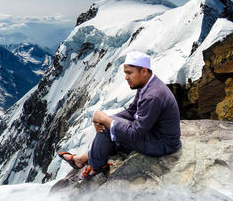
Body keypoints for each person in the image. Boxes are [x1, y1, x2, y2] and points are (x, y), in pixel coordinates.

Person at [59, 51, 181, 179]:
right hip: (155, 134)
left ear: (144, 71)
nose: (126, 77)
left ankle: (96, 165)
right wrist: (106, 120)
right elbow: (131, 112)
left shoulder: (152, 96)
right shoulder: (147, 85)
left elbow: (135, 134)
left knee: (110, 128)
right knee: (111, 126)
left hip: (162, 144)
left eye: (129, 73)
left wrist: (106, 121)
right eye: (125, 73)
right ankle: (83, 159)